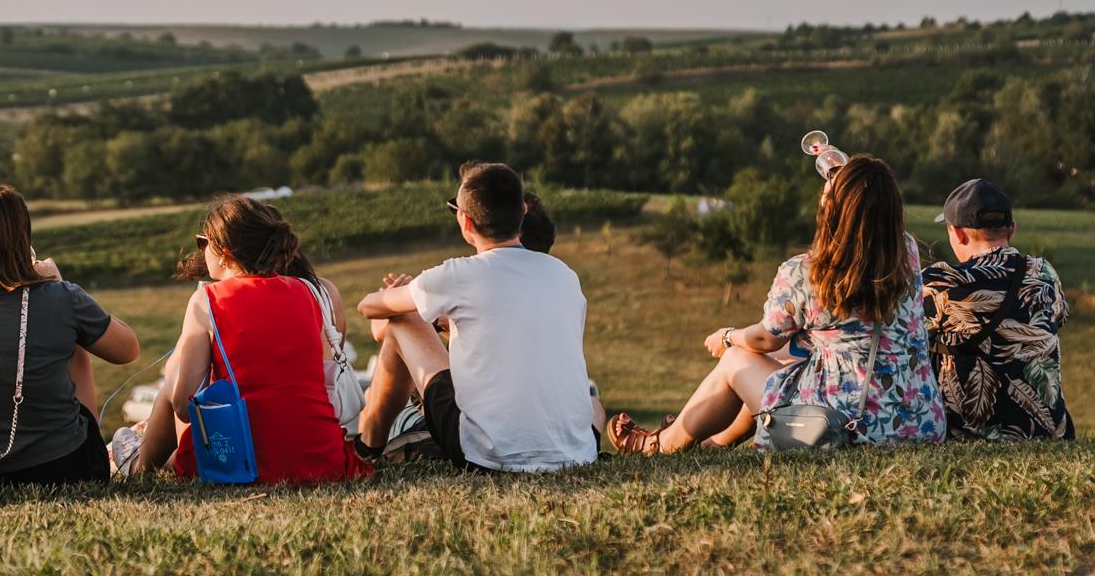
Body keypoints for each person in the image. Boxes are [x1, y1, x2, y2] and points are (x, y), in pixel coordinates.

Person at [607, 154, 946, 454]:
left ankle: (659, 445)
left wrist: (727, 336)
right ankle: (712, 441)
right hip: (920, 424)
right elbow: (867, 215)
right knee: (780, 366)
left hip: (847, 431)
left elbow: (764, 339)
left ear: (831, 211)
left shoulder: (807, 273)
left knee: (738, 360)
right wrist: (852, 184)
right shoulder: (906, 254)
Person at [352, 162, 599, 473]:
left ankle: (366, 448)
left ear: (465, 222)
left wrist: (408, 297)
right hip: (575, 453)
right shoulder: (565, 275)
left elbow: (367, 306)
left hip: (489, 456)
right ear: (522, 213)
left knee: (404, 321)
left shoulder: (457, 275)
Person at [131, 195, 369, 483]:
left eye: (203, 243)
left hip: (241, 460)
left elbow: (183, 405)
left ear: (222, 252)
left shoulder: (207, 299)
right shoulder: (307, 292)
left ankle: (138, 469)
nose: (201, 251)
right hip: (320, 457)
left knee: (172, 387)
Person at [0, 184, 139, 484]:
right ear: (21, 241)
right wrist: (59, 284)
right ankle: (88, 442)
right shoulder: (61, 297)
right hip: (58, 465)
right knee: (76, 343)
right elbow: (128, 350)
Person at [921, 178, 1072, 441]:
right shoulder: (1044, 273)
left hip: (973, 434)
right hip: (1048, 432)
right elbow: (1058, 317)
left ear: (957, 233)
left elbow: (906, 332)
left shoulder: (939, 283)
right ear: (1011, 229)